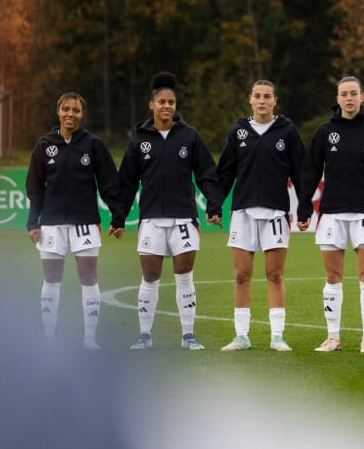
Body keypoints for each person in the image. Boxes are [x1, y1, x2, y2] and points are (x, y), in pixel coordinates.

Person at [110, 72, 224, 351]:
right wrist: (118, 217)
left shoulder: (189, 136)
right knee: (150, 277)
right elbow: (127, 182)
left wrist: (214, 205)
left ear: (175, 105)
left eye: (171, 102)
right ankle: (144, 335)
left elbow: (207, 174)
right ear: (152, 105)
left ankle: (188, 336)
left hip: (184, 218)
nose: (166, 106)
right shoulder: (139, 140)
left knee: (184, 275)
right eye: (161, 102)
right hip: (151, 219)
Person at [296, 76, 364, 354]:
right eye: (344, 94)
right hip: (332, 215)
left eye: (353, 93)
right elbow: (310, 173)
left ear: (361, 97)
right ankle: (333, 337)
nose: (349, 98)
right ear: (337, 99)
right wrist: (304, 208)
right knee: (333, 277)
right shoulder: (325, 132)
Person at [25, 92, 121, 349]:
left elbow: (109, 183)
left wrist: (118, 216)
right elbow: (35, 187)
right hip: (51, 222)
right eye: (66, 109)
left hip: (85, 222)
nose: (70, 114)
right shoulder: (45, 144)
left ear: (82, 114)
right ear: (58, 111)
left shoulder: (93, 144)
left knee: (89, 277)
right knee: (51, 279)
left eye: (76, 110)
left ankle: (90, 339)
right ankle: (48, 338)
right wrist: (33, 222)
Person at [216, 80, 306, 352]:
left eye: (267, 96)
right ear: (250, 99)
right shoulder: (239, 130)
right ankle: (241, 336)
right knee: (241, 275)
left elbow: (300, 173)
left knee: (275, 274)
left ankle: (277, 336)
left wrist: (304, 208)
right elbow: (226, 171)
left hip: (275, 211)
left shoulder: (287, 131)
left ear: (275, 101)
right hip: (243, 211)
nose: (262, 100)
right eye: (258, 96)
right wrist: (214, 205)